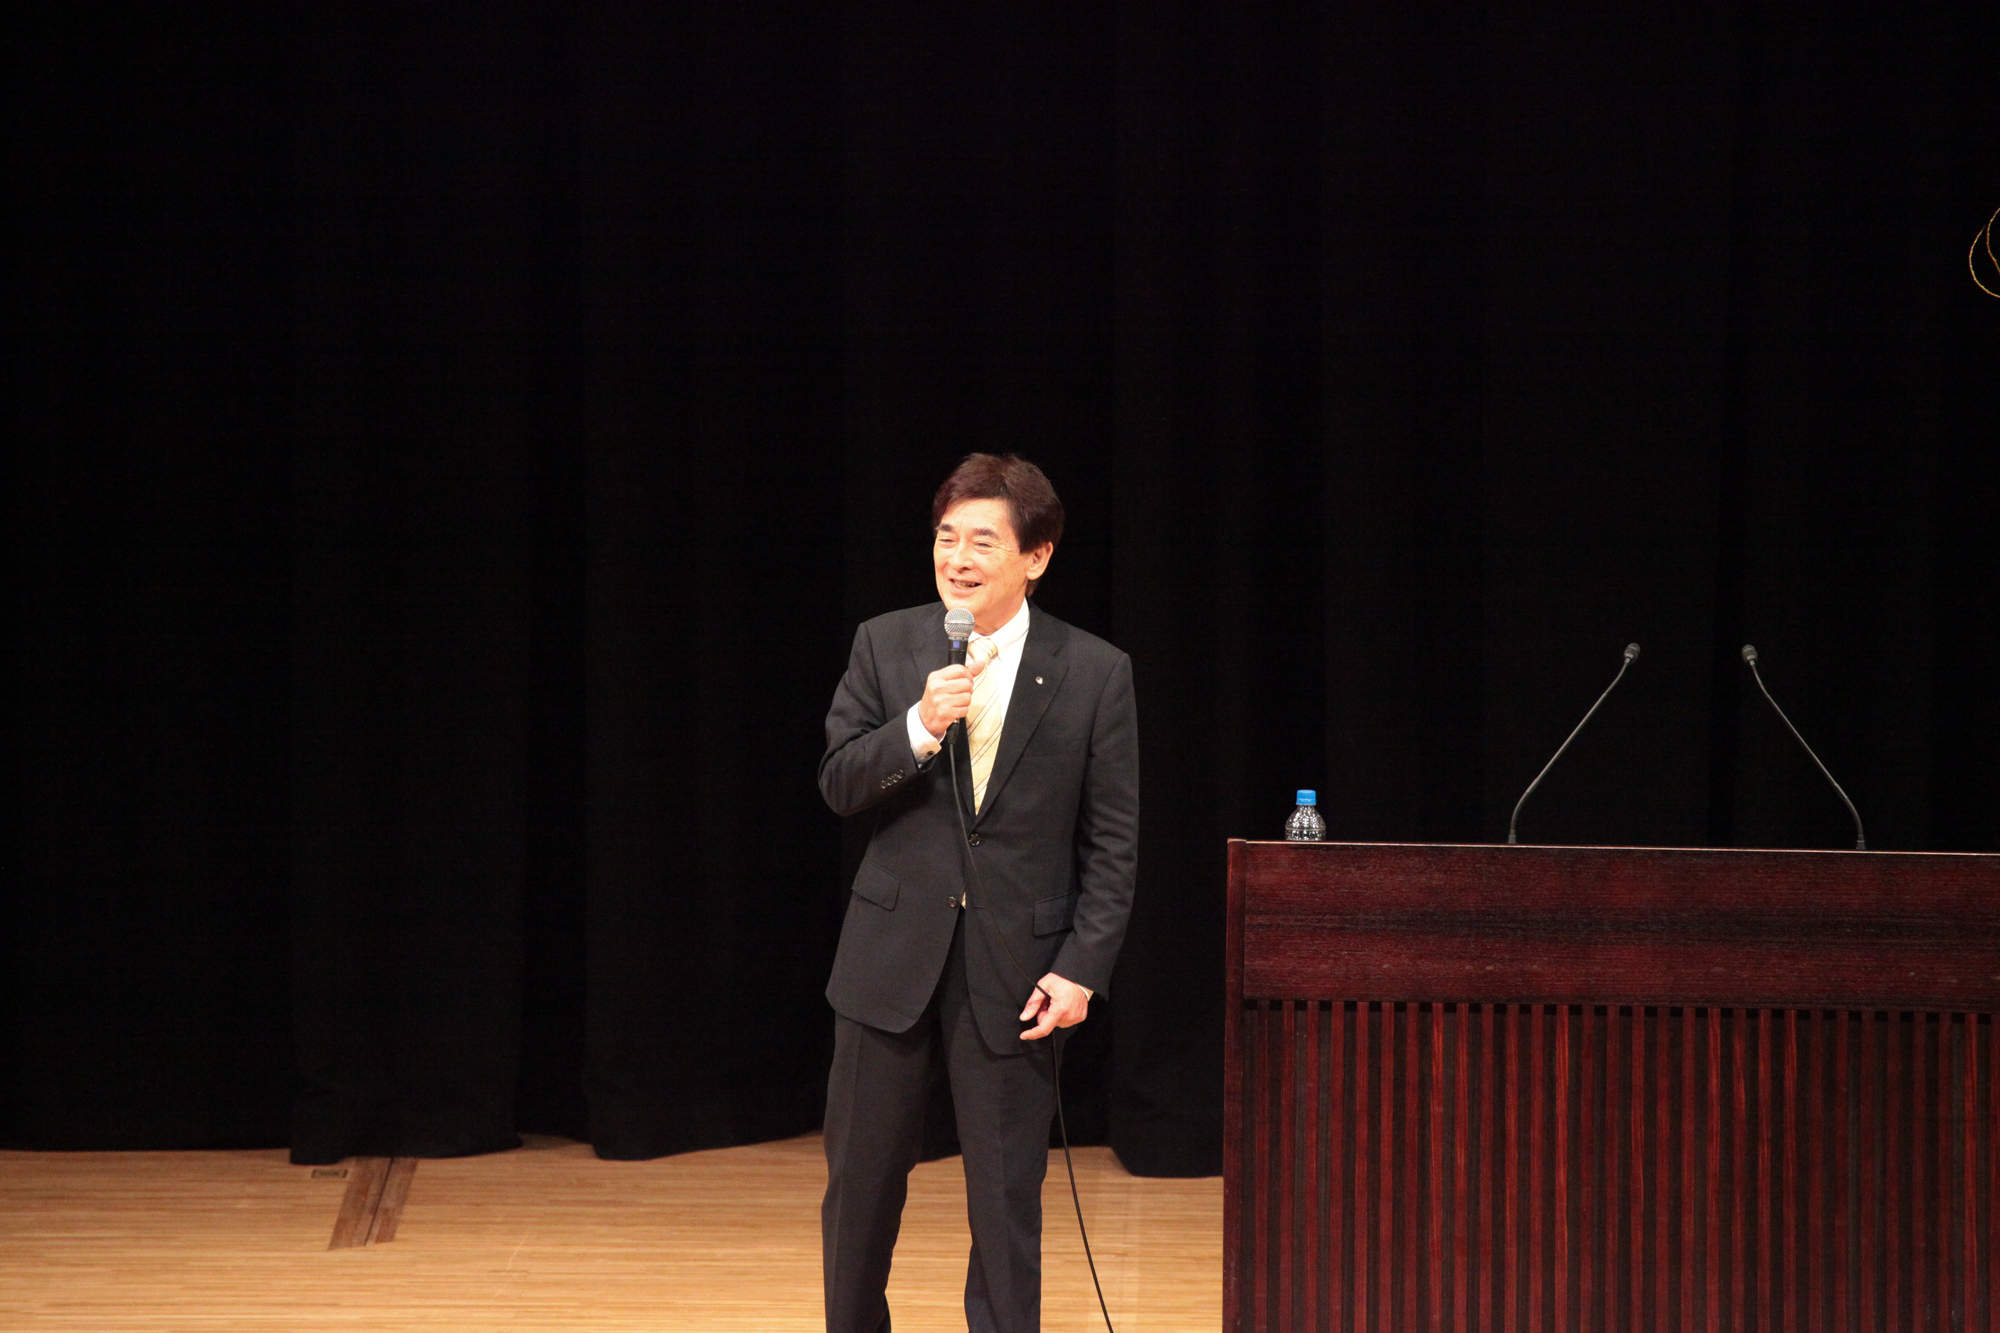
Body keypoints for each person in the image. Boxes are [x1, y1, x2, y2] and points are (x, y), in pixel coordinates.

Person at [818, 453, 1140, 1333]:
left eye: (982, 541)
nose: (957, 558)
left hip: (1017, 974)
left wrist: (1081, 968)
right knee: (859, 1196)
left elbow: (1113, 842)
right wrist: (918, 726)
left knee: (1004, 1205)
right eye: (946, 536)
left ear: (1036, 555)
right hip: (887, 962)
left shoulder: (1094, 671)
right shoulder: (886, 643)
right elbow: (839, 781)